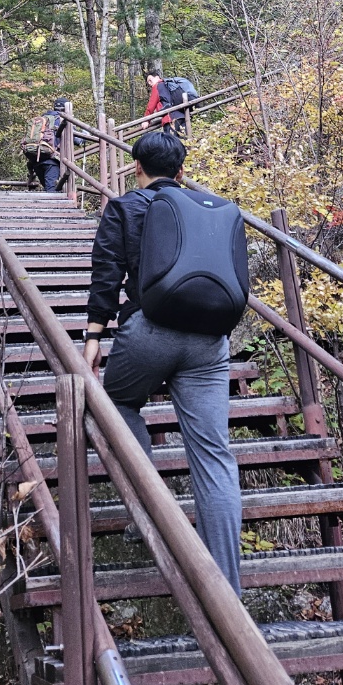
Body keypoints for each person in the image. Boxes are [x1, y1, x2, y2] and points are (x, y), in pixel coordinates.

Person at [83, 127, 243, 593]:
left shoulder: (126, 206)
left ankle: (148, 508)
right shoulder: (209, 209)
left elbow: (106, 273)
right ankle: (226, 592)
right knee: (214, 455)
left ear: (137, 167)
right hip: (211, 340)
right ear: (181, 171)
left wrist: (94, 334)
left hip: (149, 332)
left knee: (116, 404)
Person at [22, 98, 67, 192]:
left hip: (36, 159)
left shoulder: (44, 119)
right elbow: (77, 140)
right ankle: (54, 206)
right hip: (52, 160)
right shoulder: (62, 120)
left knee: (49, 187)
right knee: (52, 189)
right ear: (66, 108)